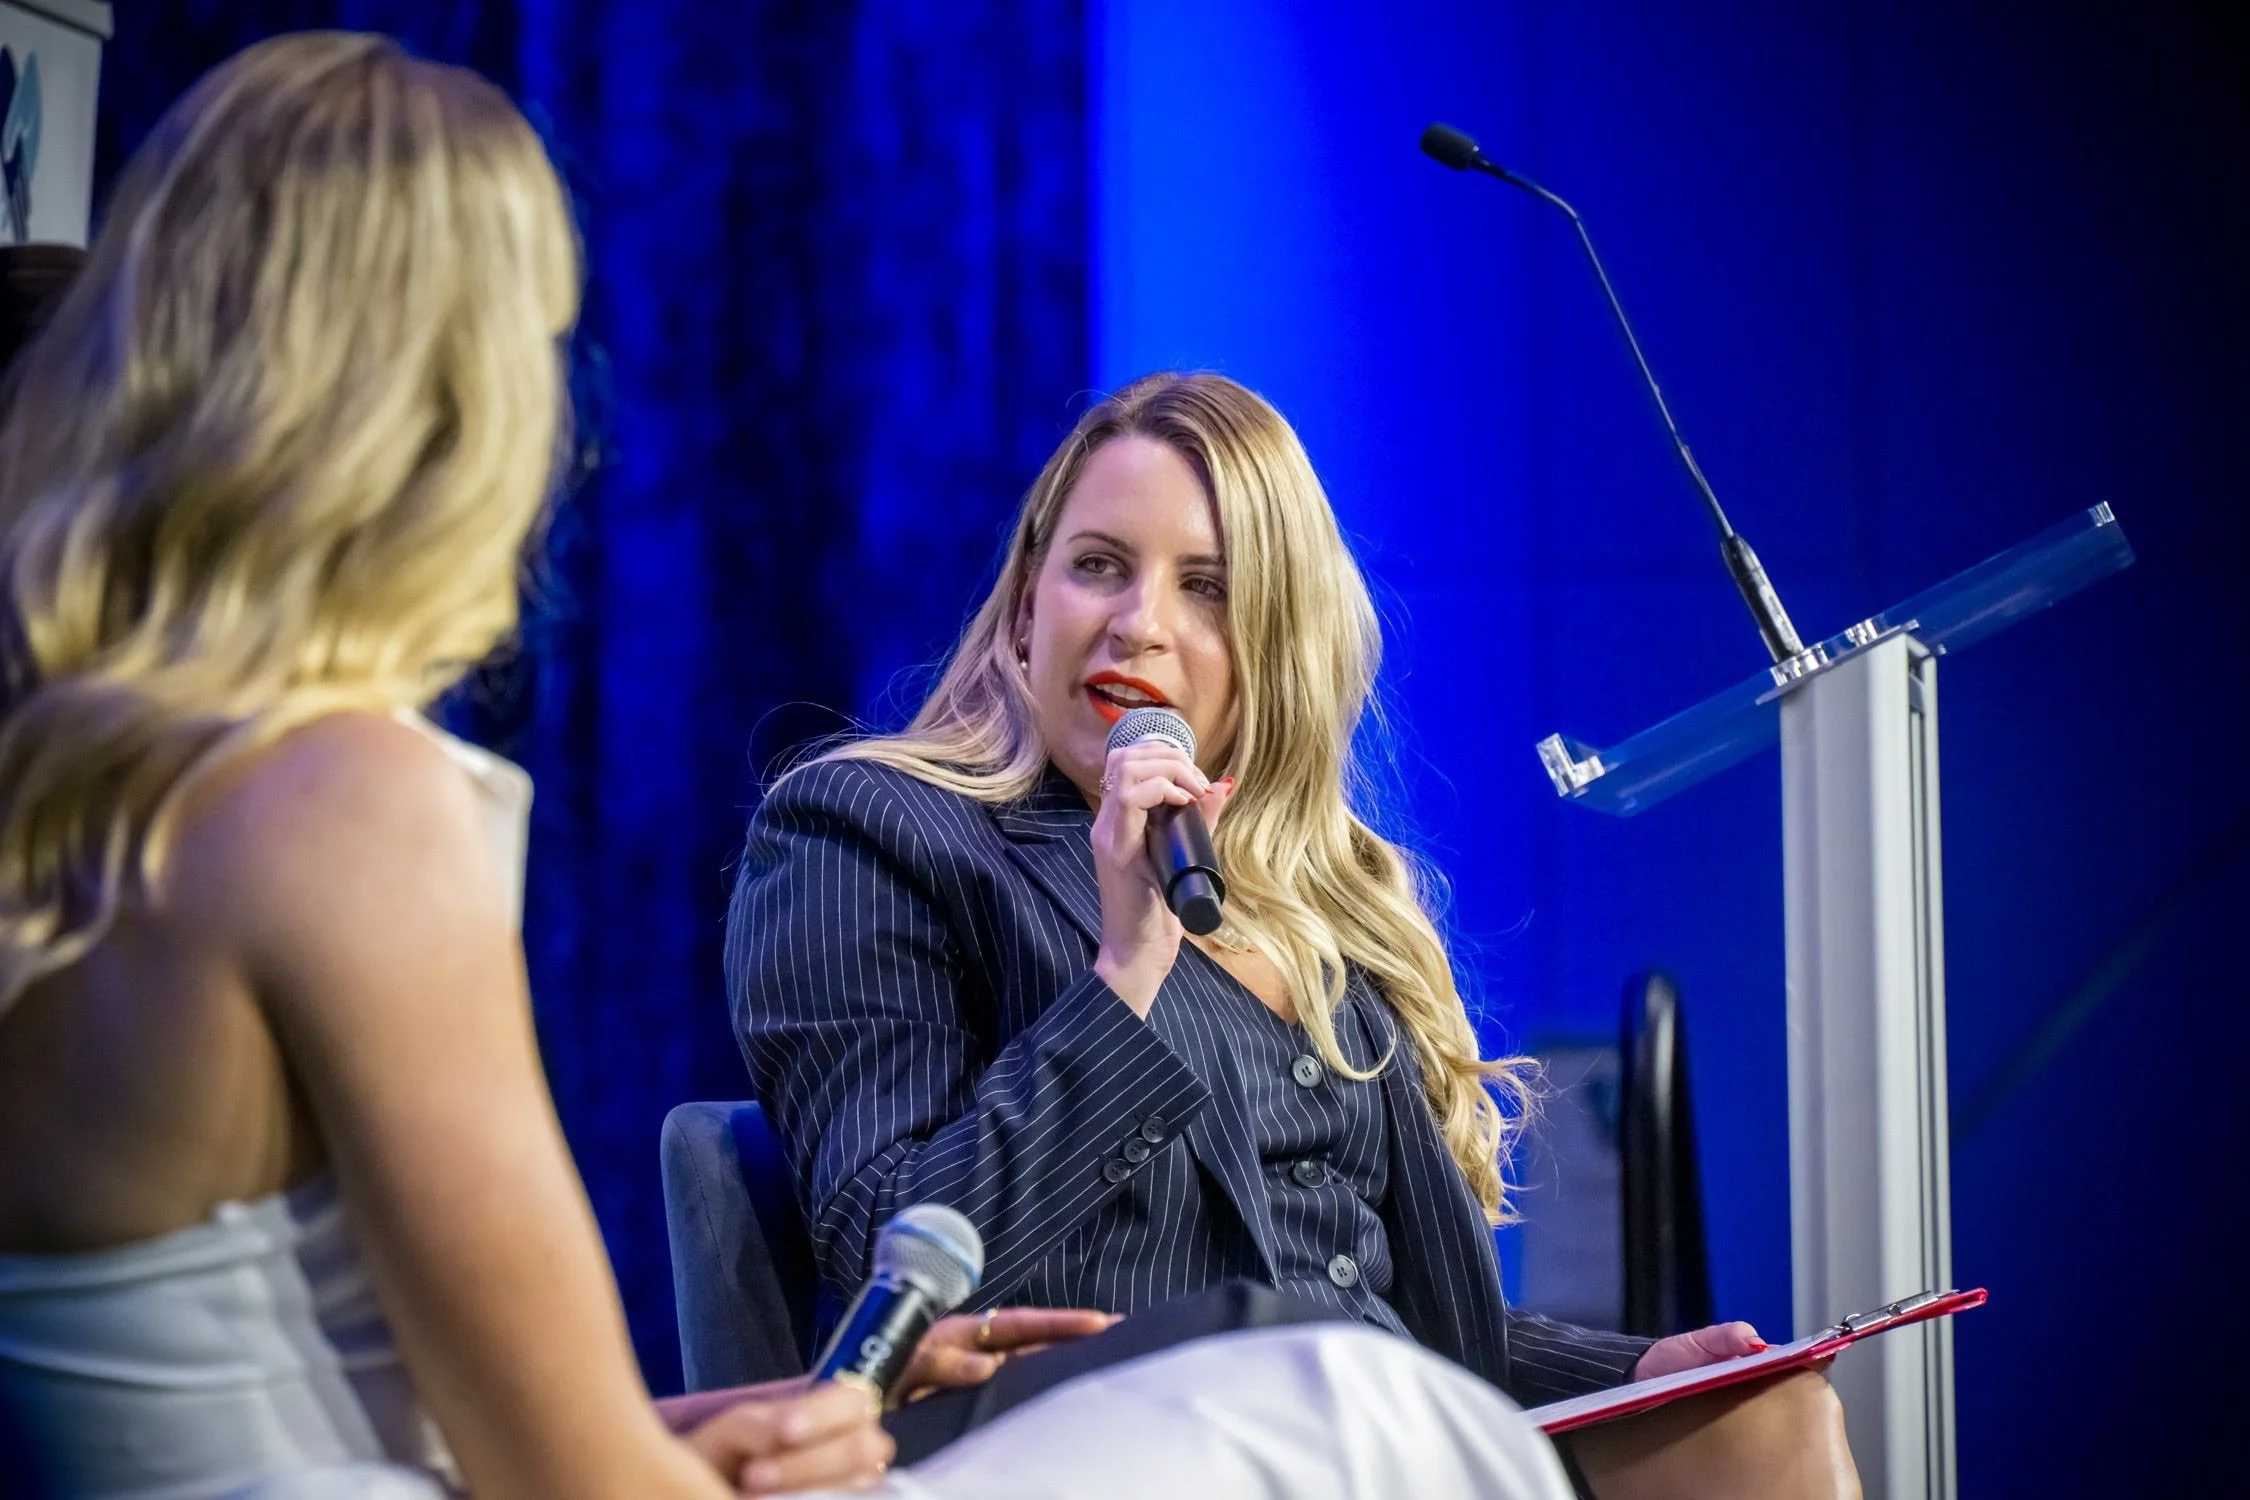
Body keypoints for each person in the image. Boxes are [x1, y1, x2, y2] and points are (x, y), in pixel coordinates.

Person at [0, 33, 1579, 1500]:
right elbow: (570, 1471)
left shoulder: (92, 784)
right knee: (1345, 1414)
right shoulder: (354, 808)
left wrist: (689, 1426)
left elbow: (342, 1404)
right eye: (541, 353)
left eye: (1209, 587)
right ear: (440, 411)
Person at [728, 371, 1863, 1498]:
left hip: (1352, 1436)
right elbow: (895, 1256)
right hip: (1093, 1439)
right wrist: (1127, 973)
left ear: (1273, 642)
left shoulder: (1314, 910)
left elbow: (1369, 1299)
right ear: (1029, 606)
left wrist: (1637, 1368)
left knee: (1766, 1420)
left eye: (1207, 587)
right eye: (1097, 567)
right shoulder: (875, 832)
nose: (1141, 624)